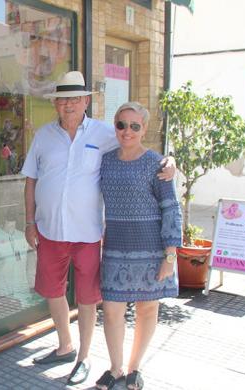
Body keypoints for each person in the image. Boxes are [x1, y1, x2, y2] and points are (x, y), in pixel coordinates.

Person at [21, 71, 175, 385]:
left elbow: (140, 148)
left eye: (76, 99)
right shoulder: (43, 136)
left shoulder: (105, 132)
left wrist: (171, 160)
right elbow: (30, 181)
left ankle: (84, 356)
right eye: (64, 99)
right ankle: (65, 345)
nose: (69, 105)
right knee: (53, 290)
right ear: (56, 104)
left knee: (88, 296)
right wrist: (28, 221)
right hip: (49, 229)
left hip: (88, 233)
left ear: (86, 101)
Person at [94, 102, 182, 390]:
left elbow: (171, 208)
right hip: (116, 247)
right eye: (121, 125)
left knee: (147, 309)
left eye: (134, 126)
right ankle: (115, 368)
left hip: (152, 249)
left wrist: (170, 255)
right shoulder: (105, 160)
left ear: (144, 129)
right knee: (111, 310)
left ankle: (134, 369)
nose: (127, 131)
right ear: (115, 127)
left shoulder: (157, 164)